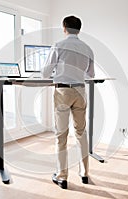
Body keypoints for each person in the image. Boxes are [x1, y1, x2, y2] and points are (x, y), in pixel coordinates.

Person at [42, 15, 95, 189]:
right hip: (80, 91)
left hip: (63, 91)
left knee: (61, 136)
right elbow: (91, 74)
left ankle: (62, 176)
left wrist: (58, 71)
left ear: (64, 28)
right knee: (81, 133)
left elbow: (45, 73)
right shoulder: (87, 48)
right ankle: (85, 173)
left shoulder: (58, 45)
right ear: (79, 29)